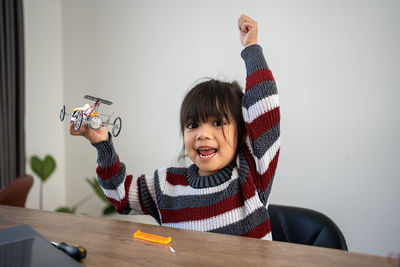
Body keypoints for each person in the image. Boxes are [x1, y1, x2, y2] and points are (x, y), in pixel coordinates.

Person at [70, 14, 280, 240]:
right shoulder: (167, 186)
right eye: (192, 125)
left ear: (242, 133)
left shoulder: (252, 175)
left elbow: (265, 110)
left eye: (218, 123)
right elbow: (119, 193)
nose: (203, 134)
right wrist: (102, 143)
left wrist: (251, 48)